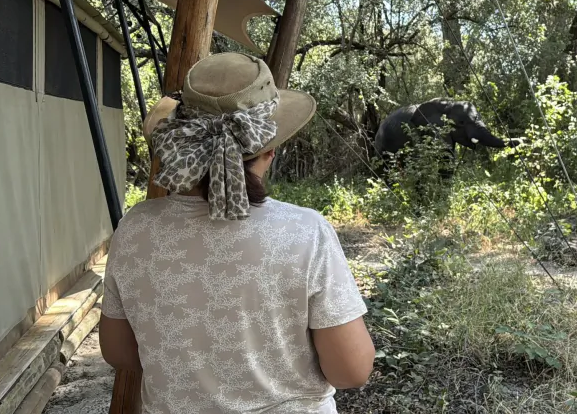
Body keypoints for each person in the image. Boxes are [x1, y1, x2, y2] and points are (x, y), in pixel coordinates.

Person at [99, 52, 375, 413]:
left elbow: (118, 352)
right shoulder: (306, 232)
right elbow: (351, 371)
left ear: (182, 142)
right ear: (269, 150)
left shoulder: (135, 228)